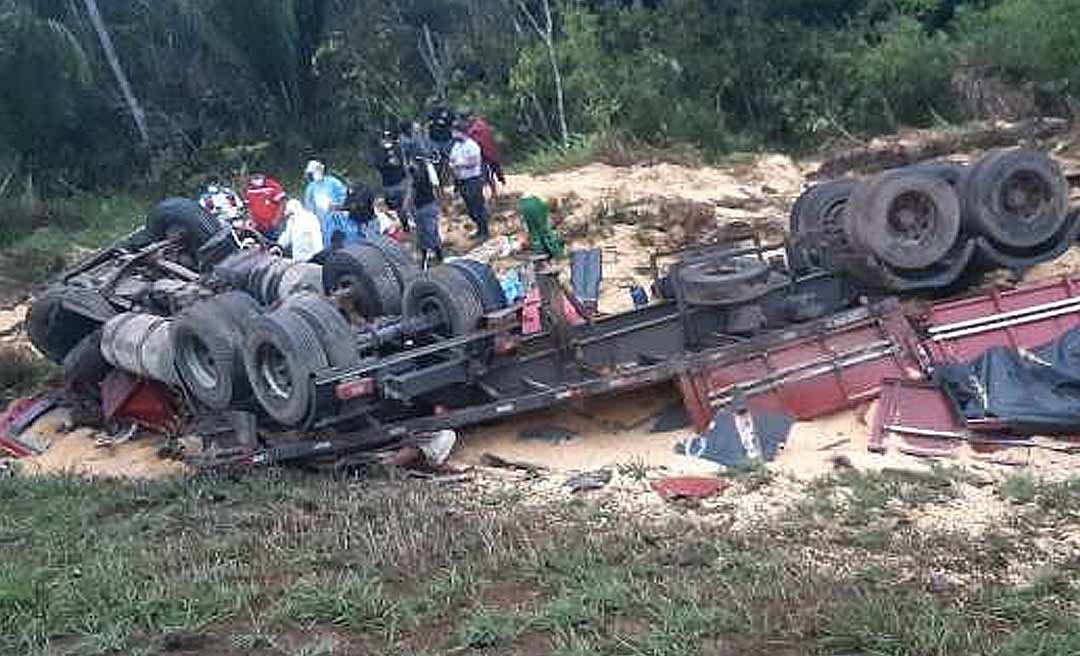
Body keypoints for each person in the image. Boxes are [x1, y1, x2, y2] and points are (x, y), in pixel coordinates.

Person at [449, 122, 490, 241]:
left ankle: (484, 231)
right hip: (461, 180)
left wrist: (458, 164)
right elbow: (452, 158)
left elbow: (474, 161)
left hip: (472, 179)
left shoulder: (472, 145)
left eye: (455, 131)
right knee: (470, 208)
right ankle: (479, 229)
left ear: (461, 132)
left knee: (477, 206)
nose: (453, 134)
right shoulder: (456, 145)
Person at [408, 157, 443, 269]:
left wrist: (439, 201)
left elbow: (435, 185)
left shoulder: (427, 170)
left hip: (428, 205)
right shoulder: (412, 174)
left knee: (431, 232)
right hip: (419, 207)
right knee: (421, 234)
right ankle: (426, 256)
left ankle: (438, 255)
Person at [373, 132, 411, 232]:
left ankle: (410, 222)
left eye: (388, 138)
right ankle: (405, 224)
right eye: (384, 139)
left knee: (407, 203)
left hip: (401, 182)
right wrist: (388, 163)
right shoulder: (378, 153)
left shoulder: (397, 148)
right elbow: (378, 166)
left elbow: (402, 163)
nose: (386, 141)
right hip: (389, 185)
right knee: (396, 207)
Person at [301, 160, 348, 237]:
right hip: (320, 221)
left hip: (337, 218)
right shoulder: (311, 187)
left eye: (314, 172)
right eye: (310, 173)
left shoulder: (333, 182)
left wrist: (336, 205)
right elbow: (308, 205)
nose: (312, 175)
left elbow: (345, 197)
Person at [464, 110, 505, 195]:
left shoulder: (478, 126)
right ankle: (494, 191)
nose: (469, 119)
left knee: (492, 171)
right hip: (482, 154)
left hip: (487, 152)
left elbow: (483, 140)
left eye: (469, 117)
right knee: (486, 173)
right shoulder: (474, 127)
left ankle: (497, 189)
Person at [244, 174, 287, 238]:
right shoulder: (249, 190)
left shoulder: (272, 186)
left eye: (258, 177)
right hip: (258, 225)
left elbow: (282, 203)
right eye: (254, 178)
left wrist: (276, 220)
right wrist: (251, 220)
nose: (256, 179)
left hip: (274, 224)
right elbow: (249, 207)